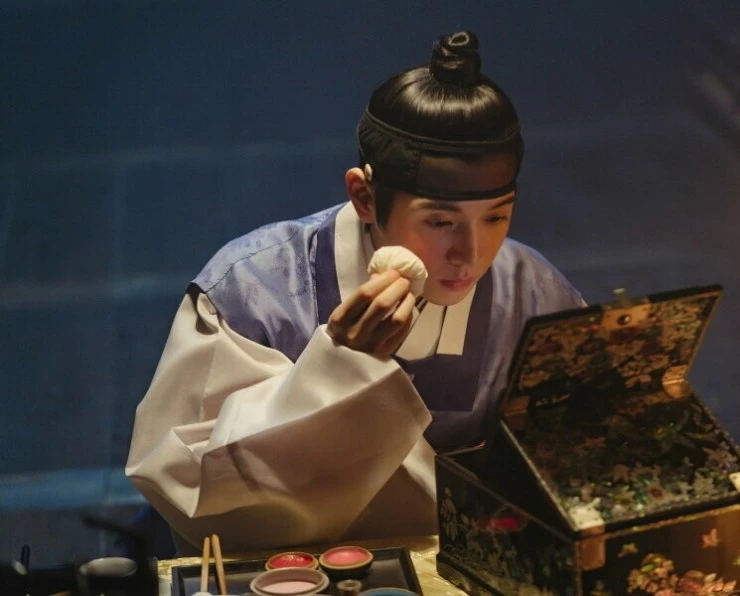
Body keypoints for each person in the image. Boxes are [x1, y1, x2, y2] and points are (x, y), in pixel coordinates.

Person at [125, 30, 586, 555]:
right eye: (440, 222)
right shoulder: (255, 291)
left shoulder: (532, 294)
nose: (471, 253)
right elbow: (193, 489)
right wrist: (337, 371)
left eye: (496, 217)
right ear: (364, 196)